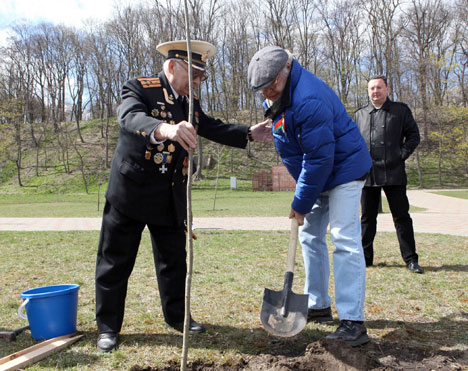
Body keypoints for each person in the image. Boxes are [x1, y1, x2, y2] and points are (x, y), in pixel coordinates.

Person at [95, 40, 271, 352]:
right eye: (195, 74)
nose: (200, 81)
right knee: (115, 263)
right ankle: (108, 327)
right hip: (130, 194)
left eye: (203, 75)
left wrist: (247, 133)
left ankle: (177, 317)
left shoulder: (189, 101)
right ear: (173, 67)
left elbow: (210, 127)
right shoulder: (139, 88)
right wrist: (165, 129)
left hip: (168, 195)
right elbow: (130, 118)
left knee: (174, 262)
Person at [248, 46, 372, 346]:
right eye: (262, 89)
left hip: (344, 171)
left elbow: (318, 159)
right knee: (309, 236)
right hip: (320, 172)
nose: (268, 93)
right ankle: (318, 305)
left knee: (343, 238)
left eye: (272, 85)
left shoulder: (309, 98)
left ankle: (353, 321)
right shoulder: (282, 96)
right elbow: (296, 150)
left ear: (287, 69)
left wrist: (301, 202)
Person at [354, 75, 422, 274]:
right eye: (372, 88)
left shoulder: (400, 111)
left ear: (387, 89)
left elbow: (414, 136)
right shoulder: (360, 114)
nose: (375, 91)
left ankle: (411, 259)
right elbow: (352, 141)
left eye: (379, 88)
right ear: (368, 91)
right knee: (367, 218)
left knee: (401, 217)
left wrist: (400, 155)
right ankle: (365, 259)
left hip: (394, 172)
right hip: (368, 173)